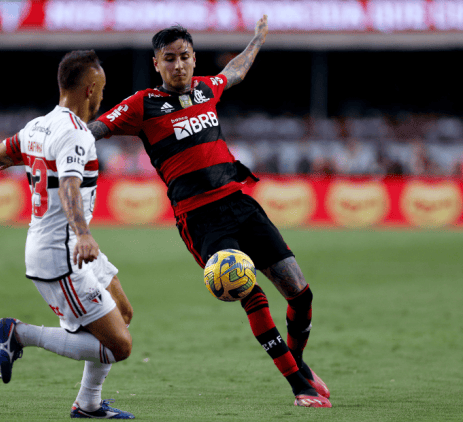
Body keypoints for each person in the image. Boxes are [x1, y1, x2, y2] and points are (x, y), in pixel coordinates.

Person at [88, 17, 332, 408]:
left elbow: (232, 72)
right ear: (157, 64)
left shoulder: (206, 88)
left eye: (185, 56)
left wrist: (256, 41)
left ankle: (299, 363)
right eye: (169, 59)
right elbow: (94, 130)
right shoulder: (142, 105)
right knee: (251, 295)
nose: (179, 65)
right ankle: (298, 386)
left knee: (301, 295)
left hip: (240, 203)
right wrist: (56, 137)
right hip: (199, 218)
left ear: (194, 58)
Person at [0, 50, 135, 419]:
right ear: (90, 89)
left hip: (68, 245)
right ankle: (20, 334)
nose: (103, 98)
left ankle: (88, 404)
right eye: (102, 90)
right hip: (62, 255)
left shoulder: (38, 126)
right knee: (118, 346)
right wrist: (84, 233)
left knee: (122, 311)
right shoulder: (75, 134)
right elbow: (70, 185)